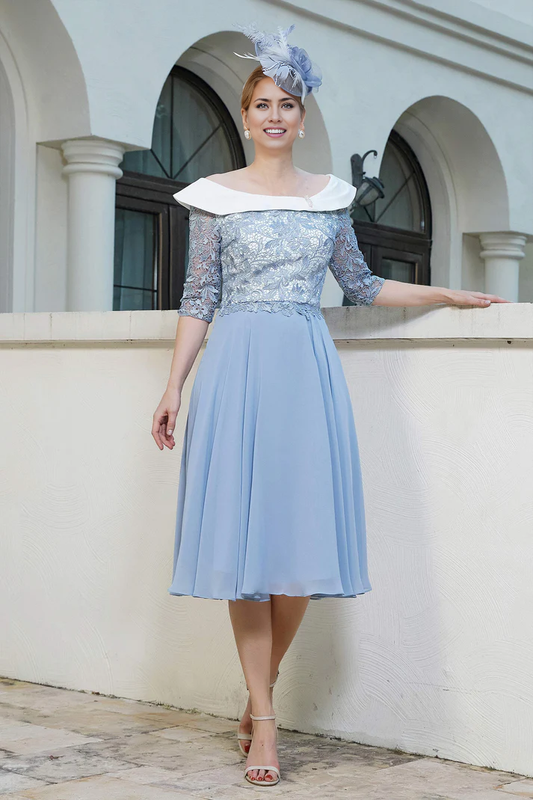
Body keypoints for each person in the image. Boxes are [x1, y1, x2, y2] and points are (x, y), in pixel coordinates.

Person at [152, 23, 510, 788]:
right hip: (237, 370)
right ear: (245, 117)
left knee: (298, 554)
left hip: (306, 375)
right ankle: (264, 719)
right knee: (246, 556)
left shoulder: (328, 200)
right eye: (261, 105)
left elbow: (361, 285)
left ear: (302, 117)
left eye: (286, 104)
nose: (274, 116)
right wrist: (174, 385)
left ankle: (261, 688)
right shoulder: (213, 199)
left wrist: (447, 293)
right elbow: (198, 298)